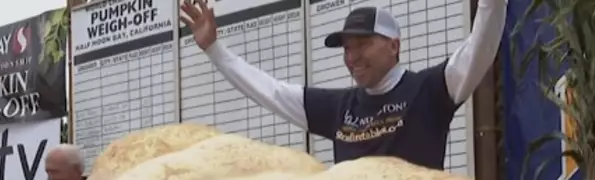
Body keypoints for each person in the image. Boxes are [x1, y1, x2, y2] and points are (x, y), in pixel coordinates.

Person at [179, 0, 506, 170]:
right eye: (347, 48)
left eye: (362, 44)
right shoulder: (338, 108)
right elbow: (270, 91)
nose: (352, 57)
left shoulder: (431, 89)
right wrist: (214, 49)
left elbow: (480, 47)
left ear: (394, 45)